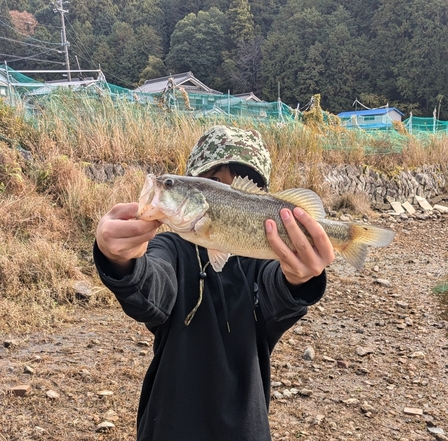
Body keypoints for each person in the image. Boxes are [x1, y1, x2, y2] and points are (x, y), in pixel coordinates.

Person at [94, 125, 335, 441]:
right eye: (215, 182)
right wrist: (119, 259)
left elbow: (280, 298)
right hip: (168, 428)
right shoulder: (171, 249)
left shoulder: (267, 262)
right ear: (197, 185)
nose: (228, 193)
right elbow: (151, 289)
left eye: (242, 187)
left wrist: (300, 278)